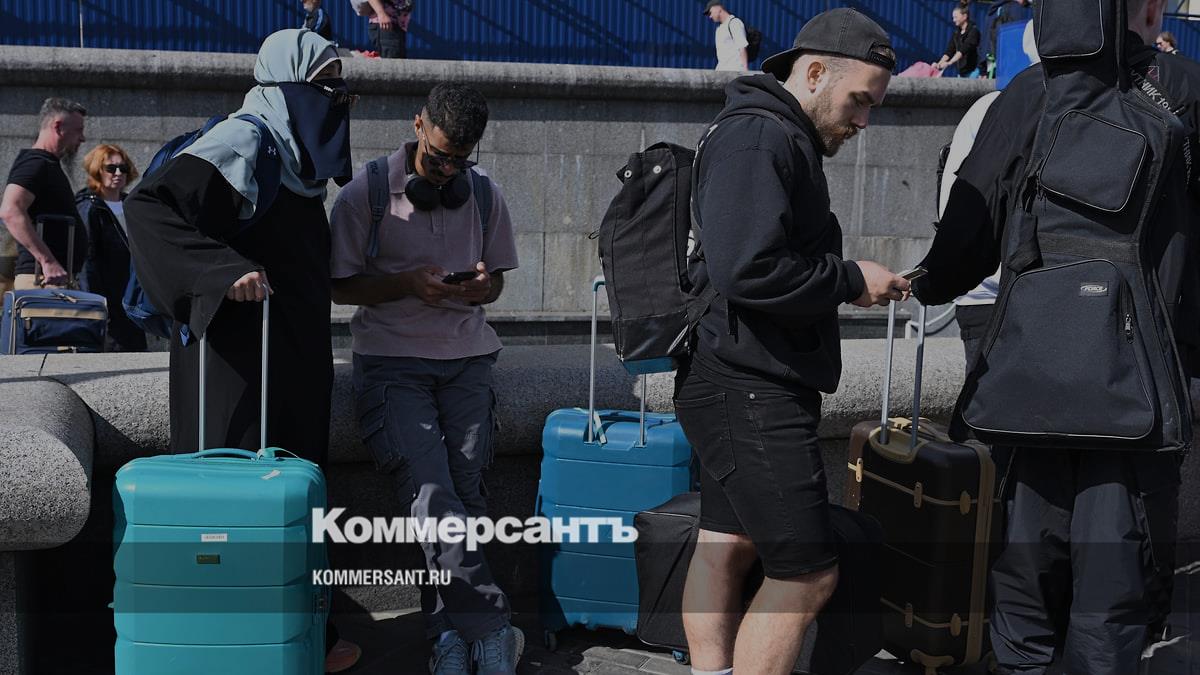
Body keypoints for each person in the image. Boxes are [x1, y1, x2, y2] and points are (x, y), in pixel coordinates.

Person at [911, 0, 1196, 672]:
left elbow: (969, 231)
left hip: (1028, 377)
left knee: (1022, 560)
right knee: (1116, 576)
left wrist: (926, 283)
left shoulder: (1026, 94)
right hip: (1140, 380)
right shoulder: (1183, 88)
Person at [673, 9, 907, 675]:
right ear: (814, 72)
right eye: (859, 100)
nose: (864, 120)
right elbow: (748, 268)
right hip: (751, 386)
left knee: (726, 545)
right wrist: (851, 279)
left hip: (732, 373)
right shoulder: (759, 138)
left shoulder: (766, 131)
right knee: (805, 573)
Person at [123, 28, 360, 674]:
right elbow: (149, 209)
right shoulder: (245, 141)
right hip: (233, 371)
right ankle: (227, 645)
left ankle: (297, 635)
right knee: (232, 507)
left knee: (288, 502)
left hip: (289, 363)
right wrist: (220, 271)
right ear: (286, 85)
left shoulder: (294, 161)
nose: (338, 96)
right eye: (325, 84)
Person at [330, 82, 521, 675]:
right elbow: (339, 286)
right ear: (418, 125)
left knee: (467, 498)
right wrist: (408, 284)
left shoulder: (484, 194)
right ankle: (492, 627)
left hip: (468, 358)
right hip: (392, 361)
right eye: (439, 157)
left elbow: (498, 282)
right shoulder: (364, 194)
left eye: (461, 160)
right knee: (431, 496)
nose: (448, 171)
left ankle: (447, 638)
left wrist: (483, 288)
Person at [0, 98, 88, 290]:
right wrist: (47, 261)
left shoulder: (46, 164)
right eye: (78, 130)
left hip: (53, 280)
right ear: (58, 127)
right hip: (43, 280)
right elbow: (10, 211)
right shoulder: (35, 163)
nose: (82, 138)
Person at [75, 143, 147, 352]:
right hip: (107, 300)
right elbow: (87, 260)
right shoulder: (90, 206)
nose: (118, 173)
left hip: (132, 297)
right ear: (97, 170)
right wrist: (94, 303)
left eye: (123, 168)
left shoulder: (131, 204)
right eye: (111, 168)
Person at [936, 3, 982, 77]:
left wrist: (949, 63)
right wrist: (939, 63)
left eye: (956, 17)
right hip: (961, 72)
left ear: (964, 16)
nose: (954, 20)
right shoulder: (956, 33)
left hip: (974, 71)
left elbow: (964, 49)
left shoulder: (974, 31)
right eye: (953, 18)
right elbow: (950, 51)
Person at [704, 0, 749, 72]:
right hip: (722, 70)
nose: (710, 16)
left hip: (735, 70)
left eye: (710, 12)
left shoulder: (734, 23)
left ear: (718, 8)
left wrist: (745, 70)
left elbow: (742, 46)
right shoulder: (720, 28)